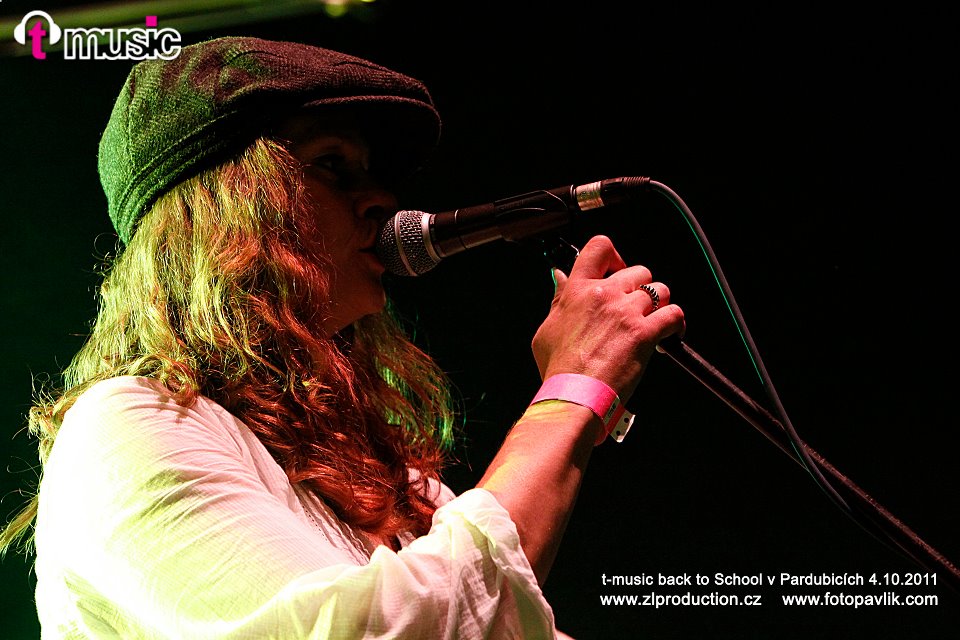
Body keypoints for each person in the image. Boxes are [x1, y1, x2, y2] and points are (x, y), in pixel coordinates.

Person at [1, 36, 684, 639]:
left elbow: (486, 616)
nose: (382, 200)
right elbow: (399, 630)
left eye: (371, 171)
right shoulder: (127, 428)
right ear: (223, 211)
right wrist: (571, 391)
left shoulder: (399, 488)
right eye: (333, 165)